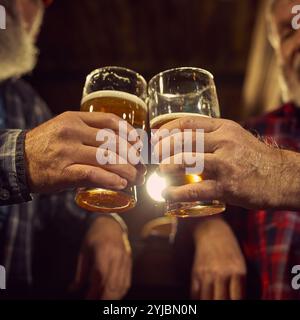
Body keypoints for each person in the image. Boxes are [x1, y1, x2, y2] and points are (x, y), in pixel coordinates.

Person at [0, 0, 145, 299]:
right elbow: (31, 162)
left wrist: (104, 221)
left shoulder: (26, 103)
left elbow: (60, 200)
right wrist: (23, 157)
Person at [155, 0, 300, 299]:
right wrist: (208, 228)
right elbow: (199, 199)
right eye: (287, 33)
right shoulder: (254, 134)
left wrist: (277, 173)